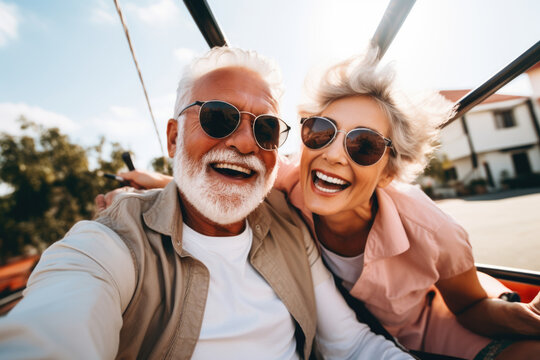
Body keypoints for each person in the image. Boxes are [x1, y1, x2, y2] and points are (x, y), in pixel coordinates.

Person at [104, 48, 540, 360]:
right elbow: (223, 176)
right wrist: (149, 188)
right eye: (321, 132)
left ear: (388, 172)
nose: (333, 154)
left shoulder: (431, 229)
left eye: (364, 146)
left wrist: (528, 322)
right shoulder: (291, 181)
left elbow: (467, 307)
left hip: (430, 321)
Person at [0, 47, 411, 360]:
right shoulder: (112, 243)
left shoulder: (289, 225)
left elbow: (352, 345)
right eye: (219, 117)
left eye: (265, 128)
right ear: (174, 138)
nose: (246, 142)